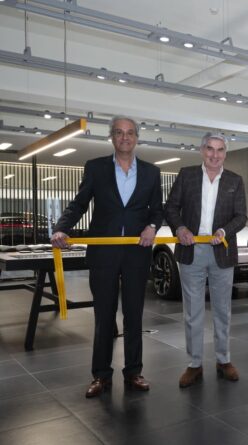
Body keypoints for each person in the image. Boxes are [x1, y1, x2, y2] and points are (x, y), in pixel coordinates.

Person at [51, 116, 163, 398]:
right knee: (104, 316)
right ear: (112, 137)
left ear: (137, 137)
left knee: (134, 315)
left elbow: (157, 209)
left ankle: (134, 371)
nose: (125, 137)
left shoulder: (151, 172)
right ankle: (101, 375)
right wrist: (61, 228)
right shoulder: (96, 167)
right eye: (119, 133)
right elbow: (79, 203)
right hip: (104, 253)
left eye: (130, 133)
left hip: (137, 253)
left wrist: (152, 226)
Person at [164, 133, 247, 388]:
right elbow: (171, 208)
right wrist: (180, 228)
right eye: (210, 149)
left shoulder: (234, 180)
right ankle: (194, 363)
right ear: (202, 150)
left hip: (222, 250)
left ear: (225, 154)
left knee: (223, 309)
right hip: (192, 250)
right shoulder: (187, 175)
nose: (215, 155)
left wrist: (224, 231)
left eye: (220, 150)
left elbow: (241, 216)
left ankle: (224, 360)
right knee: (193, 311)